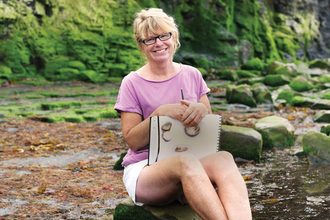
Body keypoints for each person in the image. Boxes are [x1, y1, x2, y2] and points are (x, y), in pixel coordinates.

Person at [114, 8, 252, 220]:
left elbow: (209, 128)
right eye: (149, 39)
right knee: (184, 160)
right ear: (141, 46)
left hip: (193, 161)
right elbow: (132, 141)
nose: (158, 43)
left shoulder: (192, 74)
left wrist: (202, 110)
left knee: (224, 158)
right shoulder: (131, 83)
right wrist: (159, 114)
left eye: (163, 35)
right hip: (147, 169)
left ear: (174, 37)